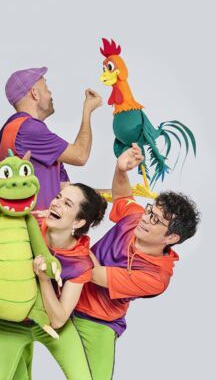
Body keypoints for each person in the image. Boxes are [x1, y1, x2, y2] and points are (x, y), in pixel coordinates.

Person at [72, 143, 200, 379]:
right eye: (150, 211)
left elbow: (94, 273)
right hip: (64, 294)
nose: (146, 218)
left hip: (96, 320)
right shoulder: (137, 217)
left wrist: (72, 233)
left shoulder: (156, 278)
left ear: (171, 238)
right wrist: (121, 170)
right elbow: (123, 197)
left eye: (156, 220)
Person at [0, 183, 107, 380]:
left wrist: (44, 280)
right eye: (58, 197)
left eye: (67, 203)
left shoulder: (80, 262)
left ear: (78, 222)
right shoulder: (29, 223)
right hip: (11, 324)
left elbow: (59, 319)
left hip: (53, 325)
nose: (56, 203)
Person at [0, 67, 103, 212]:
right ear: (34, 93)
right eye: (46, 88)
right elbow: (80, 155)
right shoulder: (28, 129)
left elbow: (66, 190)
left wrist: (115, 193)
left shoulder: (14, 130)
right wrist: (87, 110)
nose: (50, 93)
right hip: (36, 223)